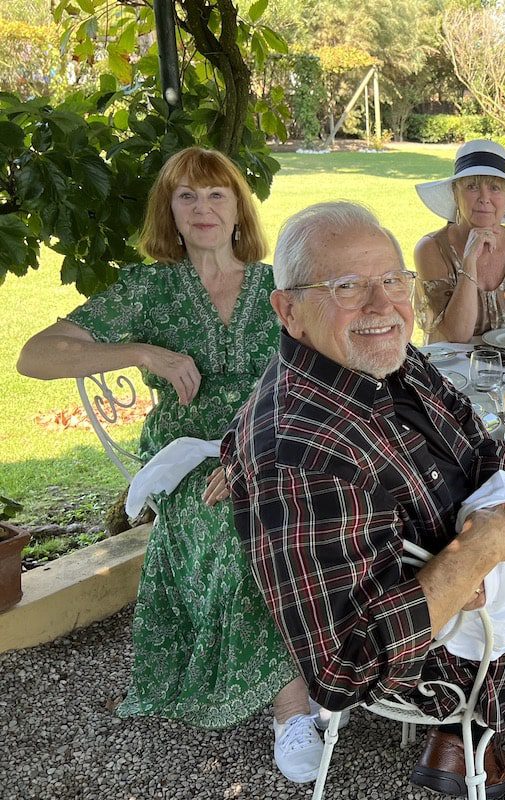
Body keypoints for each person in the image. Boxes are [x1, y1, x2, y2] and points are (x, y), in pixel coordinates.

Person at [223, 201, 505, 798]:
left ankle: (491, 724)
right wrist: (470, 559)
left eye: (394, 280)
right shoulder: (301, 453)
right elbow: (342, 668)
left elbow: (482, 439)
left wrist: (490, 523)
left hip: (465, 561)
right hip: (441, 662)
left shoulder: (385, 360)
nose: (382, 306)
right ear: (288, 310)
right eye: (347, 287)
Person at [16, 148, 317, 781]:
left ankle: (354, 659)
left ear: (239, 208)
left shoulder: (277, 287)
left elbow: (326, 367)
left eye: (216, 196)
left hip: (273, 446)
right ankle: (293, 711)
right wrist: (145, 352)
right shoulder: (149, 289)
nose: (203, 209)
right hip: (185, 463)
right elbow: (35, 356)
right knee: (240, 527)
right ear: (169, 211)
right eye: (187, 197)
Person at [413, 139, 505, 343]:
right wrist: (469, 260)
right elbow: (456, 335)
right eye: (472, 187)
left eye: (495, 188)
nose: (484, 197)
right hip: (454, 373)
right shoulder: (432, 249)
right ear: (456, 194)